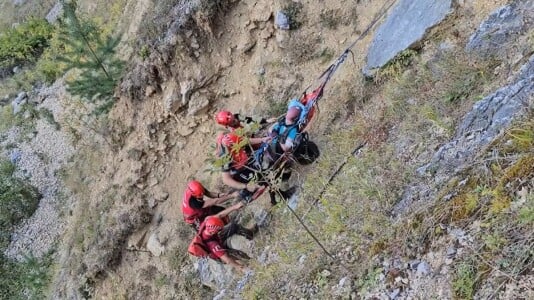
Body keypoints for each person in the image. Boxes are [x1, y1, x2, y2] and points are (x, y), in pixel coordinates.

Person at [217, 132, 295, 206]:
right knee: (265, 179)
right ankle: (281, 196)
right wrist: (245, 186)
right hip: (239, 173)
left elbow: (247, 141)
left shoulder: (231, 137)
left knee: (267, 174)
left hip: (246, 164)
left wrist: (262, 139)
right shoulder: (224, 156)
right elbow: (226, 179)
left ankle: (276, 197)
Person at [195, 204, 250, 273]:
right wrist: (242, 268)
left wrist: (235, 206)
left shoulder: (207, 222)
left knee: (232, 226)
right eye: (219, 230)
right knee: (237, 250)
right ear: (214, 232)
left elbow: (219, 215)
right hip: (220, 254)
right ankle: (248, 259)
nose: (221, 230)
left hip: (217, 239)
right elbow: (227, 259)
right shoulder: (212, 245)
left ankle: (250, 234)